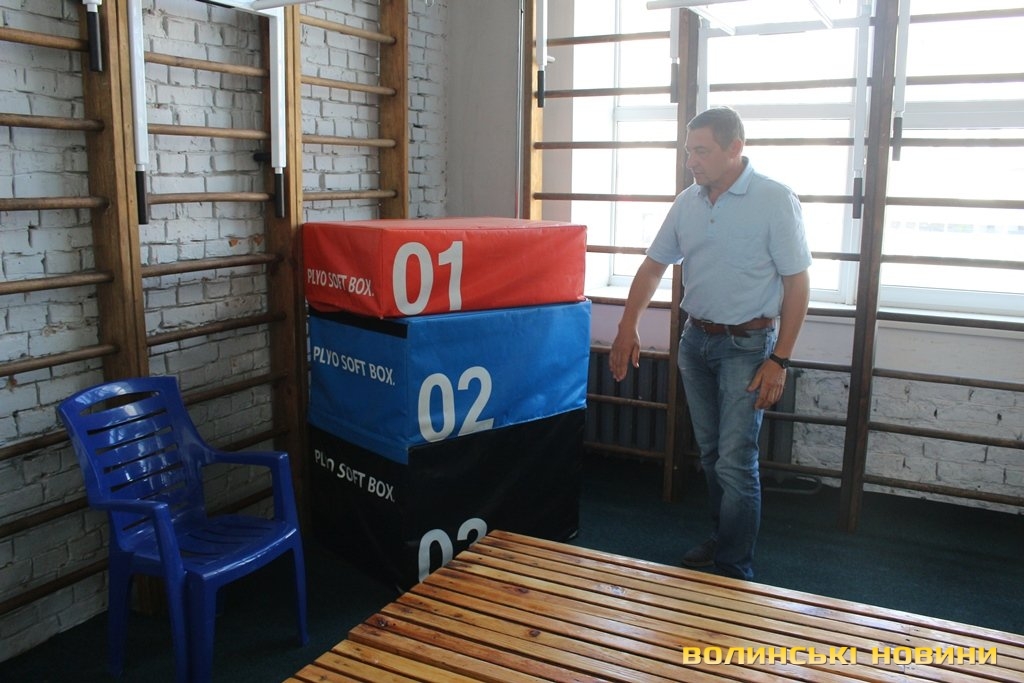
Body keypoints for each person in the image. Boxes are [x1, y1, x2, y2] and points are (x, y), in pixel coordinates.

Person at [609, 106, 811, 580]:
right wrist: (627, 325)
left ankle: (734, 569)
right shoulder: (688, 202)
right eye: (688, 152)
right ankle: (724, 539)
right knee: (712, 455)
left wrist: (780, 359)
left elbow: (798, 284)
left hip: (749, 346)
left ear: (735, 148)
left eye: (701, 151)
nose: (691, 162)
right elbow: (653, 267)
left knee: (736, 461)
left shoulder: (775, 199)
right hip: (695, 340)